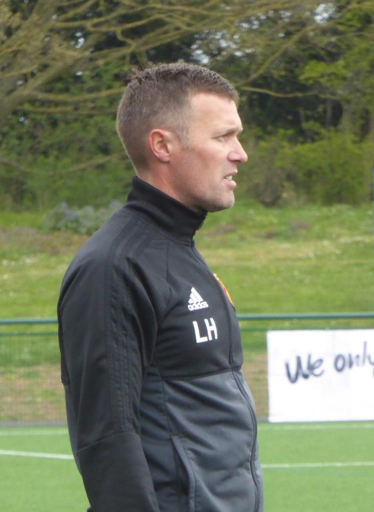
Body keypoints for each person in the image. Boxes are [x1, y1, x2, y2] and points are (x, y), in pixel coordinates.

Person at [58, 62, 264, 512]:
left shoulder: (180, 252)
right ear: (162, 145)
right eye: (222, 136)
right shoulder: (114, 266)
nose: (240, 153)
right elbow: (107, 439)